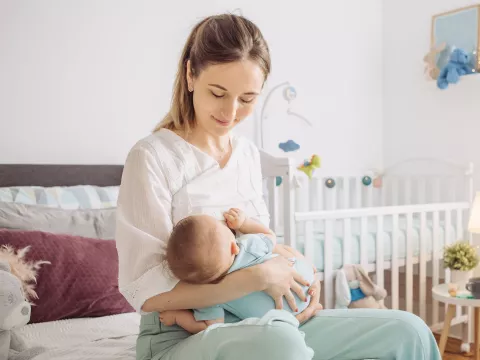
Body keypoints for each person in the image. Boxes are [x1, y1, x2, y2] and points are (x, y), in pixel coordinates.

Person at [115, 13, 442, 360]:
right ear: (190, 74)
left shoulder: (247, 156)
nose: (230, 111)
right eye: (218, 93)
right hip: (185, 334)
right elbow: (145, 292)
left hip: (268, 318)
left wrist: (299, 271)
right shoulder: (152, 156)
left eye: (247, 98)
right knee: (279, 346)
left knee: (409, 332)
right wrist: (256, 278)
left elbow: (261, 243)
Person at [160, 208, 316, 334]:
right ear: (234, 246)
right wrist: (244, 223)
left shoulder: (207, 296)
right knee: (288, 253)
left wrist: (177, 317)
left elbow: (210, 326)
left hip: (277, 321)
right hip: (304, 282)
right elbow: (270, 236)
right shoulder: (247, 246)